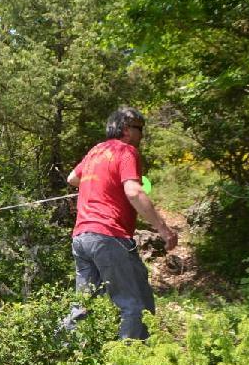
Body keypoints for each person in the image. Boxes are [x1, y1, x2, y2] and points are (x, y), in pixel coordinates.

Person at [65, 106, 177, 339]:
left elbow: (72, 179)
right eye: (139, 129)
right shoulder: (126, 152)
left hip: (82, 238)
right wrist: (163, 230)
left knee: (82, 307)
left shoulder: (96, 151)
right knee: (135, 304)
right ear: (126, 130)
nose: (141, 135)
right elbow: (134, 192)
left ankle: (62, 357)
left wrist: (101, 181)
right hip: (109, 237)